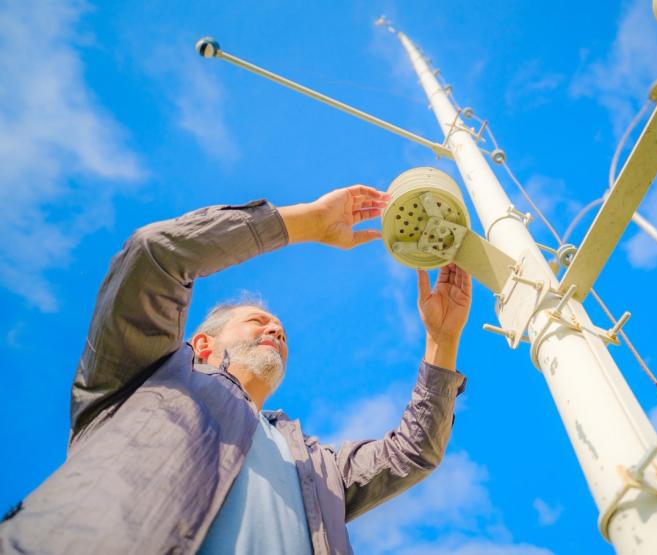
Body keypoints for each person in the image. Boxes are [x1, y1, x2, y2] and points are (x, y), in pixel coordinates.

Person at [0, 185, 472, 554]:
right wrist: (309, 223)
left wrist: (442, 339)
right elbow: (155, 254)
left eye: (281, 330)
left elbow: (412, 454)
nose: (277, 332)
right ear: (202, 344)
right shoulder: (144, 373)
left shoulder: (316, 465)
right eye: (259, 322)